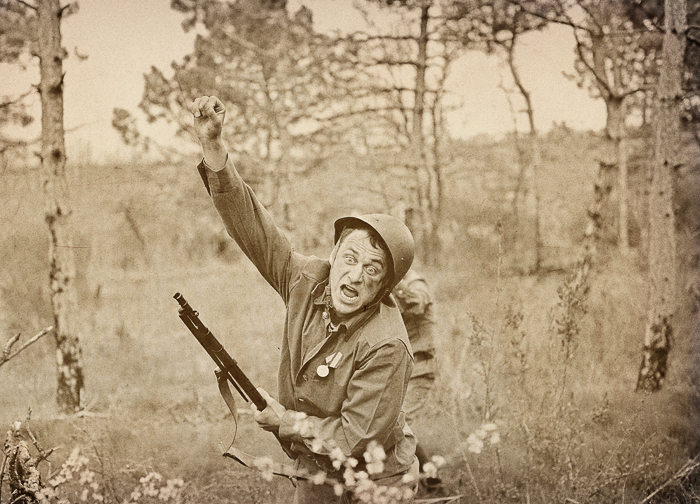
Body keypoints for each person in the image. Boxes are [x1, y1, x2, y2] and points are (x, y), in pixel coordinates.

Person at [188, 95, 419, 503]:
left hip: (378, 483)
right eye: (350, 258)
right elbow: (252, 226)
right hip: (316, 471)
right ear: (334, 254)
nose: (355, 275)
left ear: (385, 286)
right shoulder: (306, 281)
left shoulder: (387, 344)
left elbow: (355, 438)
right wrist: (213, 145)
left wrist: (286, 421)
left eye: (372, 269)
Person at [392, 269, 440, 487]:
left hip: (420, 369)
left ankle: (430, 480)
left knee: (397, 424)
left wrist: (393, 282)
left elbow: (417, 304)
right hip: (400, 369)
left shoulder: (416, 283)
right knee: (392, 424)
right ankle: (431, 479)